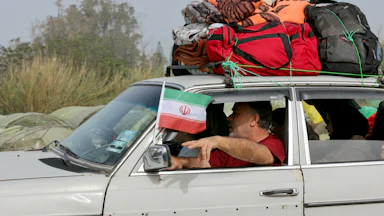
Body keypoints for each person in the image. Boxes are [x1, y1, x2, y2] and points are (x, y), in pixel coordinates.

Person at [168, 101, 286, 170]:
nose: (229, 118)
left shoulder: (273, 144)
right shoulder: (231, 147)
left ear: (254, 119)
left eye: (235, 114)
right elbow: (205, 163)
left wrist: (218, 141)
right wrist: (181, 162)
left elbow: (259, 154)